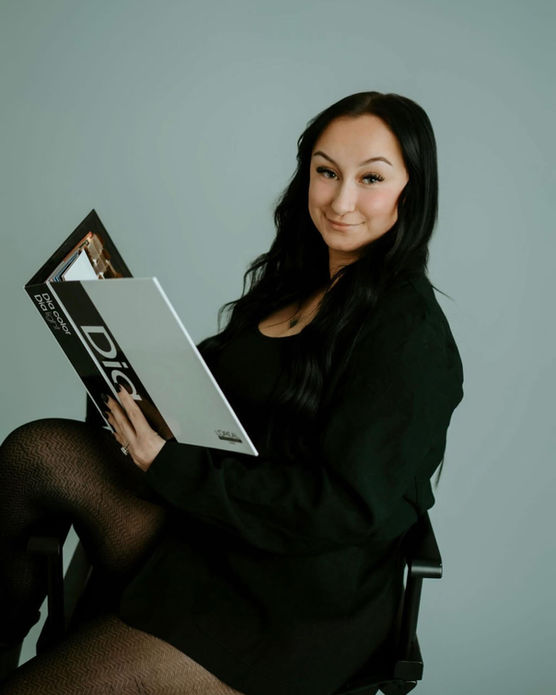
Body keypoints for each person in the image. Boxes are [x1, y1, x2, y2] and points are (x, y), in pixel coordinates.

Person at [0, 91, 464, 695]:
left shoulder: (409, 336)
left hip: (290, 602)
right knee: (36, 452)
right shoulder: (299, 280)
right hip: (217, 536)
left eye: (371, 178)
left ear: (412, 190)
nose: (341, 201)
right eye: (326, 172)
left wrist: (168, 464)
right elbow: (228, 396)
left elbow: (339, 508)